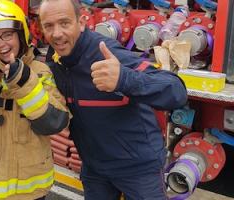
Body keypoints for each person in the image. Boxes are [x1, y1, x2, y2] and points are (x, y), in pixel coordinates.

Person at [39, 0, 188, 200]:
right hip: (94, 169)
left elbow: (176, 91)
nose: (57, 33)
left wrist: (124, 79)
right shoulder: (55, 59)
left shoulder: (104, 52)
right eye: (49, 25)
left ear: (81, 23)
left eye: (64, 23)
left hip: (138, 169)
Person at [0, 0, 71, 199]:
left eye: (7, 34)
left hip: (28, 188)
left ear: (21, 34)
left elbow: (55, 122)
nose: (1, 44)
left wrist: (26, 83)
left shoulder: (40, 71)